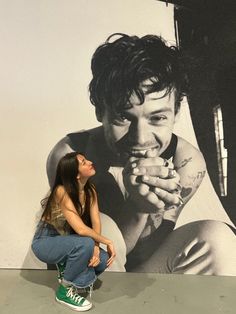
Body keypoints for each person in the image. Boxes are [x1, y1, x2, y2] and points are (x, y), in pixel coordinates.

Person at [47, 33, 236, 275]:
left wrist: (147, 207)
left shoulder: (186, 162)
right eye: (123, 117)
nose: (140, 138)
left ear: (176, 113)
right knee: (100, 229)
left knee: (216, 238)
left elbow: (144, 258)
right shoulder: (70, 156)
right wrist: (137, 209)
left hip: (138, 279)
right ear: (99, 111)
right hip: (86, 282)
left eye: (157, 118)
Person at [32, 152, 116, 311]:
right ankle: (64, 291)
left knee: (102, 260)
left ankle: (68, 270)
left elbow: (96, 221)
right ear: (76, 174)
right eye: (84, 162)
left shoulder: (90, 190)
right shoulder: (61, 191)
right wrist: (108, 241)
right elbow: (81, 229)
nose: (90, 162)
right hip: (46, 241)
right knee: (85, 242)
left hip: (67, 239)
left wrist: (97, 249)